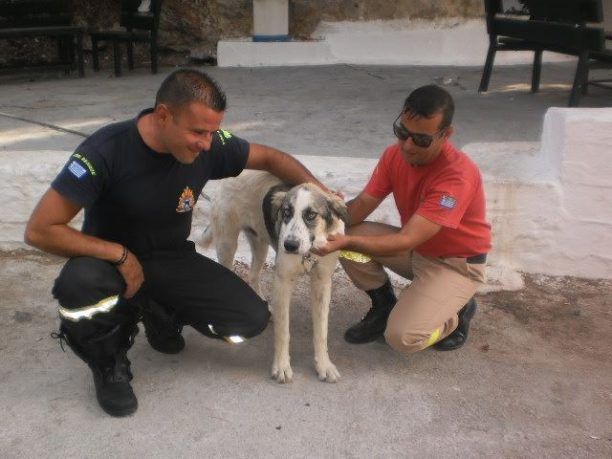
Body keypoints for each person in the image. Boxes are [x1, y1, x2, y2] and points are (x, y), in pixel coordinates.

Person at [24, 68, 331, 417]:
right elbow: (40, 229)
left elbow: (273, 158)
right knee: (77, 286)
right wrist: (119, 254)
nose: (206, 143)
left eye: (212, 132)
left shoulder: (209, 145)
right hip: (107, 261)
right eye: (198, 132)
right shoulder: (106, 150)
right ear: (163, 115)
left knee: (250, 318)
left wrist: (320, 192)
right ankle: (108, 364)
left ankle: (159, 311)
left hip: (170, 257)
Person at [314, 85, 491, 356]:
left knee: (403, 338)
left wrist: (345, 240)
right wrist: (330, 213)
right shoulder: (393, 155)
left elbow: (404, 240)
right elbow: (361, 207)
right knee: (345, 230)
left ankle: (456, 313)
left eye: (421, 140)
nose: (407, 146)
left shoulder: (457, 176)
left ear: (446, 135)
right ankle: (383, 306)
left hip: (455, 264)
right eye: (402, 133)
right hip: (418, 251)